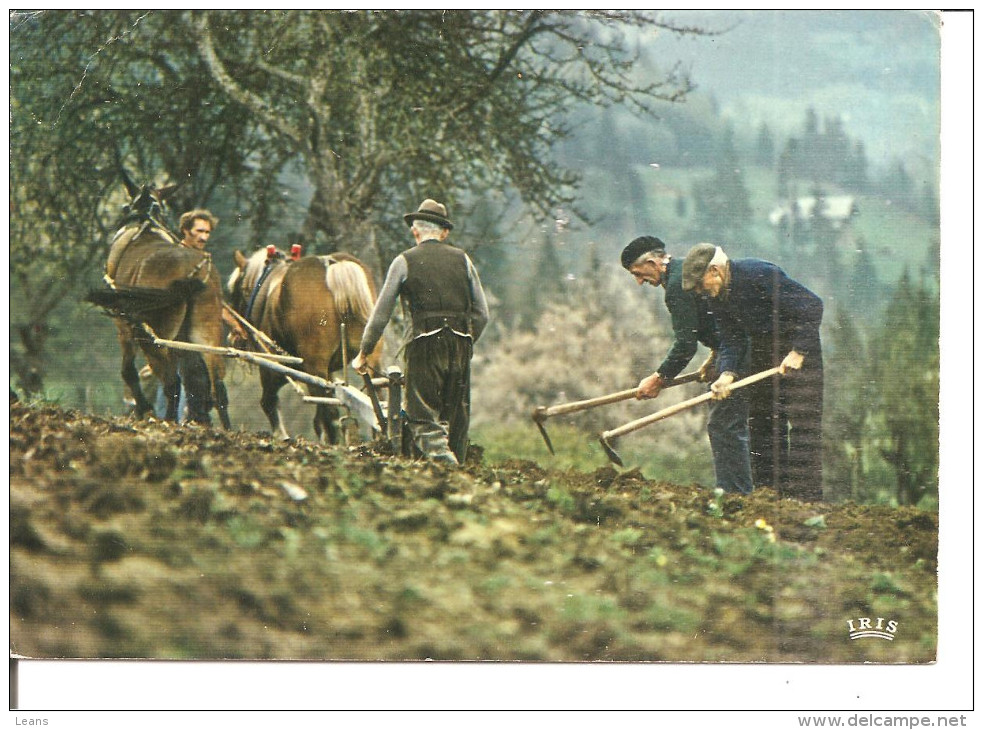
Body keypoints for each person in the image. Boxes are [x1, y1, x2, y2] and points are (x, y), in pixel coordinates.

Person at [682, 243, 825, 502]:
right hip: (764, 356)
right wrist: (727, 373)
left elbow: (813, 306)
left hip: (800, 355)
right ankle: (770, 498)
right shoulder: (718, 298)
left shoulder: (759, 274)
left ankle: (808, 502)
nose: (702, 293)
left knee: (804, 428)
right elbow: (732, 339)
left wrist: (799, 351)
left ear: (715, 271)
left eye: (702, 285)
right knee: (764, 426)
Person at [352, 199, 489, 466]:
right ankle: (459, 473)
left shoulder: (403, 262)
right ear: (444, 232)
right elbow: (482, 314)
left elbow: (380, 315)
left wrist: (364, 351)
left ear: (415, 231)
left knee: (422, 415)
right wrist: (466, 341)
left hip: (424, 345)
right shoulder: (464, 260)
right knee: (456, 416)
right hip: (461, 345)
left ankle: (449, 469)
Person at [621, 235, 753, 495]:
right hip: (737, 349)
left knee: (724, 423)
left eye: (638, 273)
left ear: (652, 262)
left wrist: (658, 380)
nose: (638, 282)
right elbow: (718, 320)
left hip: (740, 355)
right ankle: (746, 492)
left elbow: (685, 345)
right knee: (732, 421)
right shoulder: (685, 269)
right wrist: (714, 356)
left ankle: (736, 495)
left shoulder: (675, 288)